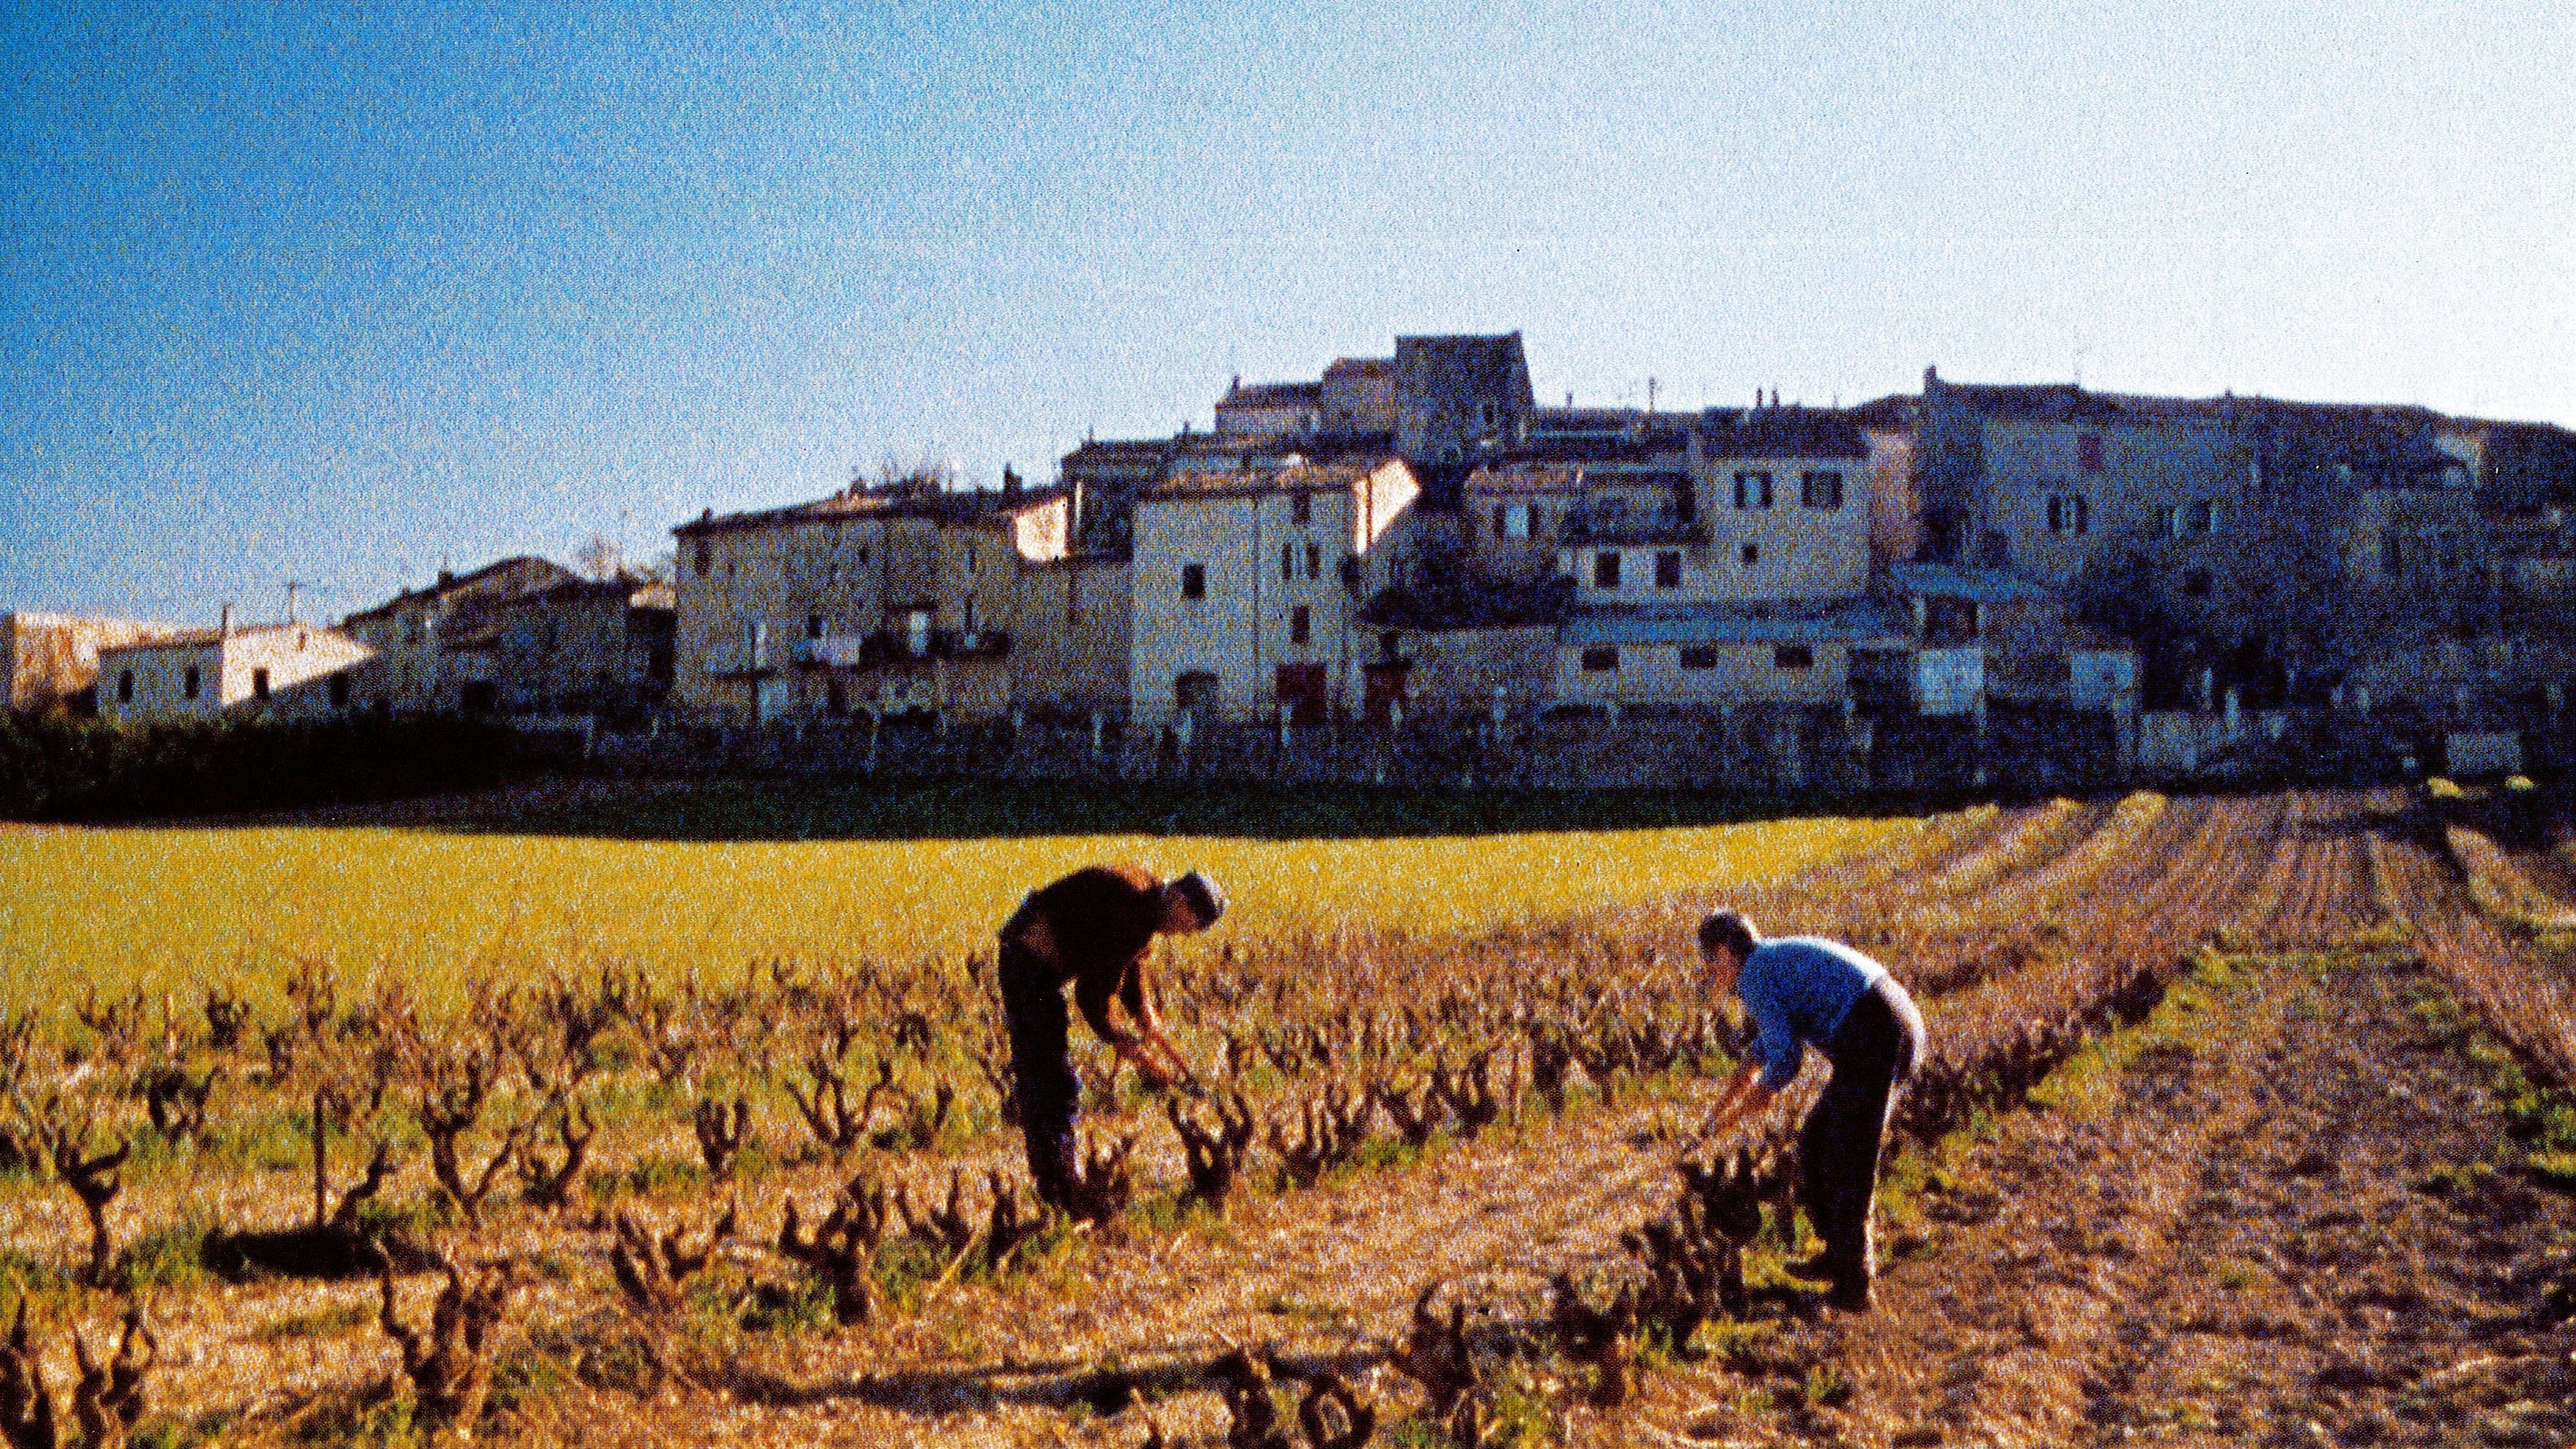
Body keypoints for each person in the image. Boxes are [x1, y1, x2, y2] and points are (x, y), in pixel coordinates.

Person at [1691, 909, 1925, 1312]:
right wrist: (1716, 1118)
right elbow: (1763, 1051)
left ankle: (1853, 1287)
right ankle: (1838, 1254)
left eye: (1710, 962)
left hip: (1876, 1030)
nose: (1711, 973)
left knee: (1847, 1156)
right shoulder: (1767, 963)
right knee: (1817, 1141)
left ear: (1726, 954)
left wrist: (1742, 1111)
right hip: (1889, 1021)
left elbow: (1785, 1061)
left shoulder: (1754, 977)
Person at [996, 864, 1224, 1209]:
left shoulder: (1147, 899)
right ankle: (1060, 1189)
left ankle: (1060, 1183)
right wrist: (1123, 1040)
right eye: (1193, 925)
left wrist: (1144, 1010)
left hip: (1036, 963)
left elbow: (1130, 958)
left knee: (1051, 1082)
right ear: (1181, 902)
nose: (1186, 935)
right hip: (1029, 965)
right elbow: (1091, 996)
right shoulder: (1135, 902)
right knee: (1052, 1083)